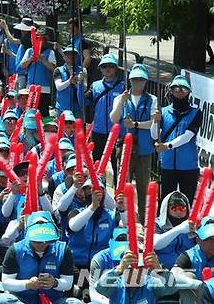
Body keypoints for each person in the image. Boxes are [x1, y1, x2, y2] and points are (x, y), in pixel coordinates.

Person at [110, 63, 157, 221]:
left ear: (145, 82)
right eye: (135, 79)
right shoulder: (121, 97)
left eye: (141, 80)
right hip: (125, 148)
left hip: (144, 149)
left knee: (144, 186)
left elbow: (152, 123)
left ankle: (144, 219)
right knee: (123, 184)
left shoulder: (152, 100)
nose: (138, 82)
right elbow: (114, 118)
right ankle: (122, 216)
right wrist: (122, 102)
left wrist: (135, 125)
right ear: (130, 80)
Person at [0, 212, 79, 304]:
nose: (42, 243)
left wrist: (55, 283)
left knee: (75, 302)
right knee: (3, 300)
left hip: (53, 300)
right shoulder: (16, 250)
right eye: (38, 241)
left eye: (46, 240)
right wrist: (27, 284)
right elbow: (6, 282)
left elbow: (68, 283)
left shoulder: (63, 250)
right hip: (22, 300)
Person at [151, 74, 203, 202]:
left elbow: (188, 136)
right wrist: (155, 121)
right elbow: (155, 135)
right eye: (176, 89)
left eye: (183, 89)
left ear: (189, 92)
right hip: (167, 165)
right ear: (171, 91)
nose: (180, 92)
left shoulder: (196, 113)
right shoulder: (163, 112)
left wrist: (167, 146)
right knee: (165, 202)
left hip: (188, 166)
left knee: (187, 202)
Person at [85, 53, 124, 185]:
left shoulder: (123, 86)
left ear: (115, 69)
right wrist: (79, 85)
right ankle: (97, 188)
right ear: (101, 69)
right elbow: (82, 101)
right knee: (97, 164)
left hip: (117, 133)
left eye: (111, 66)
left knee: (117, 166)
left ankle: (117, 193)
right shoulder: (95, 86)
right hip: (98, 132)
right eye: (105, 66)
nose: (108, 69)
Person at [19, 28, 56, 115]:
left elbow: (53, 68)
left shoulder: (50, 52)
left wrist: (42, 59)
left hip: (44, 90)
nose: (37, 41)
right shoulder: (29, 51)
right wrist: (31, 59)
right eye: (36, 39)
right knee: (29, 112)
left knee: (42, 113)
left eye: (40, 39)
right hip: (30, 89)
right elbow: (22, 66)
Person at [53, 46, 86, 120]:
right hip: (62, 109)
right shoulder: (58, 70)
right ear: (64, 57)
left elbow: (84, 88)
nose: (70, 56)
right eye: (67, 54)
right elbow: (59, 87)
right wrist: (69, 81)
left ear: (76, 56)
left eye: (73, 54)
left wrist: (77, 84)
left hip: (77, 109)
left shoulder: (83, 70)